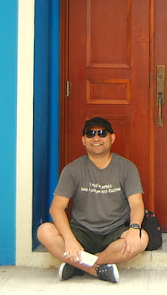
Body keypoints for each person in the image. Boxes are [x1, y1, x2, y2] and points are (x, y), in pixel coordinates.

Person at [37, 117, 149, 283]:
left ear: (112, 138)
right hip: (81, 231)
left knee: (141, 238)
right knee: (44, 231)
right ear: (83, 140)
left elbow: (137, 204)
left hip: (115, 231)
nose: (96, 138)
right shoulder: (73, 169)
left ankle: (78, 265)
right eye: (90, 134)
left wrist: (134, 228)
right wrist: (69, 239)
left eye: (102, 133)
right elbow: (56, 208)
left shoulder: (126, 167)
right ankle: (98, 270)